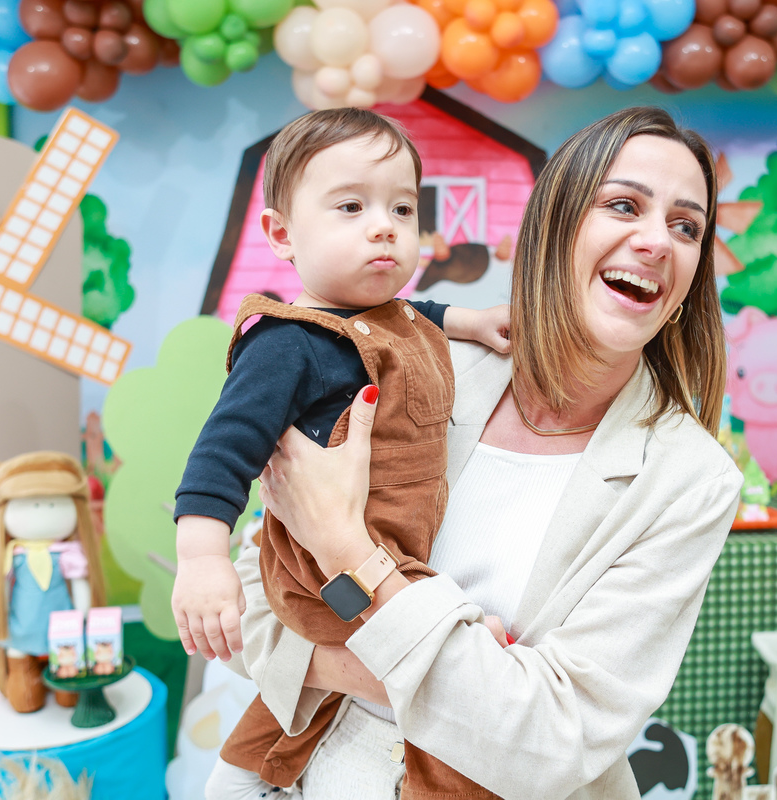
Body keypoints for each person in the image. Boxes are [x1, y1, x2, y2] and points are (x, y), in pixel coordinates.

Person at [224, 106, 743, 799]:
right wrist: (443, 674)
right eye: (624, 205)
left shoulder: (691, 480)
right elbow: (250, 606)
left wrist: (348, 551)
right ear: (554, 229)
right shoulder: (415, 368)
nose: (657, 242)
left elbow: (551, 741)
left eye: (687, 227)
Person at [171, 109, 511, 800]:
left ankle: (246, 771)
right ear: (282, 234)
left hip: (388, 546)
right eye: (351, 207)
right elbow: (221, 452)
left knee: (298, 708)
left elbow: (420, 314)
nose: (384, 226)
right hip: (334, 574)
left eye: (402, 208)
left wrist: (473, 321)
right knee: (440, 654)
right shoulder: (287, 344)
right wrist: (201, 559)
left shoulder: (395, 316)